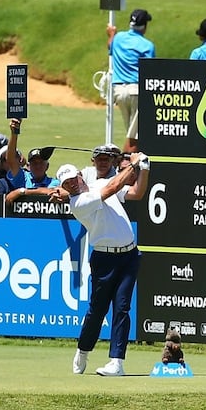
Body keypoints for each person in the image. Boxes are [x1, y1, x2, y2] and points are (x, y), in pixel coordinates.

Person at [62, 150, 150, 377]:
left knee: (122, 308)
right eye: (67, 184)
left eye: (73, 179)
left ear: (80, 175)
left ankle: (117, 363)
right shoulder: (78, 203)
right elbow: (112, 188)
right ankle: (83, 349)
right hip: (104, 259)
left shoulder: (100, 182)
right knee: (97, 311)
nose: (72, 185)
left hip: (129, 256)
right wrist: (134, 165)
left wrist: (145, 168)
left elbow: (137, 192)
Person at [107, 8, 155, 153]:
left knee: (132, 133)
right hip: (136, 91)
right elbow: (150, 70)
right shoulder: (147, 45)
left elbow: (110, 47)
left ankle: (127, 168)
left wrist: (111, 35)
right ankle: (123, 167)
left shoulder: (118, 38)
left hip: (118, 91)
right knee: (135, 137)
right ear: (145, 26)